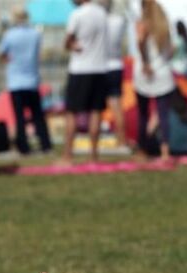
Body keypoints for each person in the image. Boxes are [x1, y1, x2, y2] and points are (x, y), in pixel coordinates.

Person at [60, 0, 108, 166]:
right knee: (96, 111)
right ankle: (94, 155)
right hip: (99, 68)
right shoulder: (102, 13)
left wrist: (71, 45)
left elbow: (68, 40)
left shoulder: (77, 14)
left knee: (71, 112)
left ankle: (68, 155)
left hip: (80, 69)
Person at [0, 7, 52, 154]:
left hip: (15, 82)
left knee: (19, 117)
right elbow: (37, 54)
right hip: (32, 80)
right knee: (38, 116)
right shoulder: (35, 34)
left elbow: (3, 54)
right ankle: (45, 144)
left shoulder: (9, 35)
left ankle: (23, 147)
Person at [132, 0, 175, 160]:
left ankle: (142, 149)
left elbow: (140, 43)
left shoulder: (142, 23)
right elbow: (172, 50)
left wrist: (145, 63)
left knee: (143, 114)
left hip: (145, 72)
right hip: (163, 72)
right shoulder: (164, 25)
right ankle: (165, 151)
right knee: (163, 115)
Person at [103, 0, 128, 150]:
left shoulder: (100, 20)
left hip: (102, 66)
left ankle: (117, 139)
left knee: (97, 108)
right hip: (116, 65)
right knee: (117, 106)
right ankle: (122, 139)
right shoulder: (119, 20)